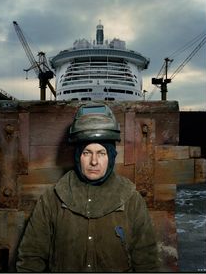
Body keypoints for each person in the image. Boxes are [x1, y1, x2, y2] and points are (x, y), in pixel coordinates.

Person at [16, 103, 159, 272]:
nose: (94, 161)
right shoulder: (51, 199)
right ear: (77, 156)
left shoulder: (132, 200)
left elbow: (147, 261)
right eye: (86, 153)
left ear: (111, 157)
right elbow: (31, 258)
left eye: (101, 153)